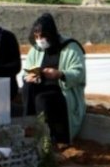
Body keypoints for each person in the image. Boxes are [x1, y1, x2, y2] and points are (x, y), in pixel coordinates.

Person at [21, 13, 86, 144]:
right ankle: (29, 124)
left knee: (42, 100)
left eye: (43, 36)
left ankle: (47, 137)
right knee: (27, 87)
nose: (40, 40)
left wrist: (60, 74)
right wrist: (30, 76)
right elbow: (26, 71)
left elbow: (79, 74)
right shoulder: (36, 49)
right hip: (41, 86)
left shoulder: (70, 47)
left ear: (51, 35)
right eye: (37, 37)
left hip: (62, 91)